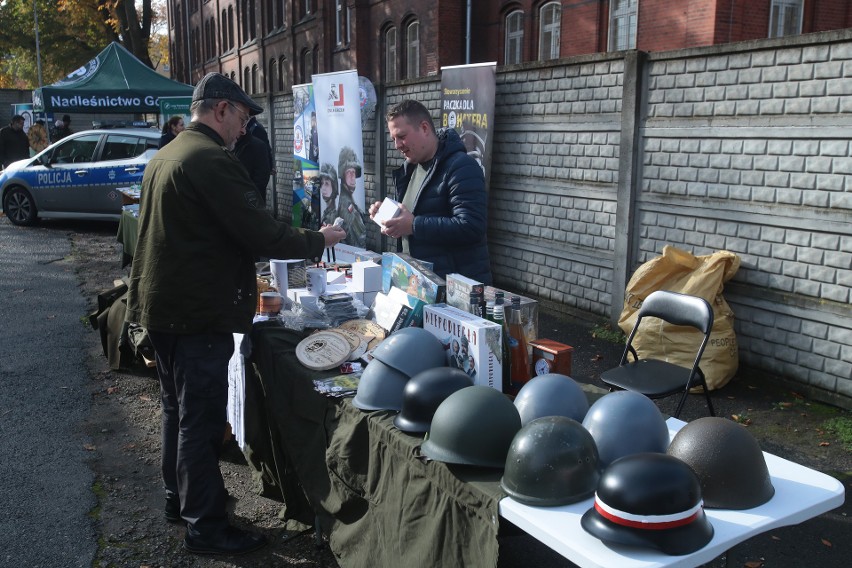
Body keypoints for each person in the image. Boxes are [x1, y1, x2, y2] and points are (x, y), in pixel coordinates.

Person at [124, 72, 346, 557]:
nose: (243, 130)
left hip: (164, 308)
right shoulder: (209, 159)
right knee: (198, 420)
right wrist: (320, 240)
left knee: (176, 411)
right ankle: (205, 527)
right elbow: (264, 234)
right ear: (220, 109)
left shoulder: (169, 153)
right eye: (242, 118)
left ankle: (178, 498)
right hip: (197, 313)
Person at [369, 99, 492, 284]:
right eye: (393, 138)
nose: (397, 145)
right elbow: (416, 214)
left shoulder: (462, 167)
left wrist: (413, 225)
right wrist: (389, 215)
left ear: (424, 128)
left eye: (401, 136)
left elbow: (471, 226)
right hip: (420, 285)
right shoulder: (410, 168)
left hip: (456, 292)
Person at [337, 145, 367, 248]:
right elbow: (358, 240)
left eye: (354, 172)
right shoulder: (346, 205)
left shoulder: (351, 203)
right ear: (342, 175)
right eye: (349, 172)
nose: (353, 177)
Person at [233, 126, 272, 204]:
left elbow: (262, 177)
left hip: (251, 201)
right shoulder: (225, 145)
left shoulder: (258, 145)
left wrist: (248, 196)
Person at [318, 162, 339, 227]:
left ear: (334, 186)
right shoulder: (325, 213)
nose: (323, 188)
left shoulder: (335, 217)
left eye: (327, 183)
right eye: (322, 183)